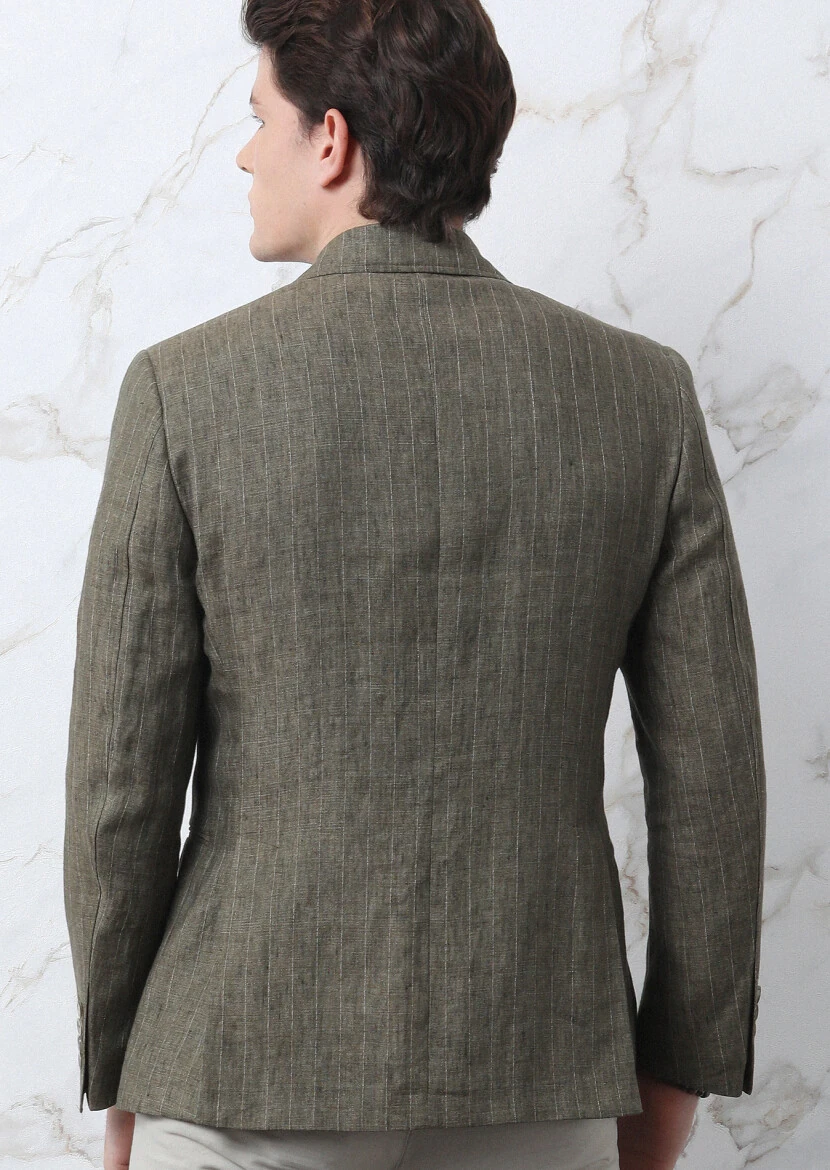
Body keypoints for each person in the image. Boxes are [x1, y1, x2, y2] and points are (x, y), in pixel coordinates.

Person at [62, 1, 766, 1168]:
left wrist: (119, 1065)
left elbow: (116, 795)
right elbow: (714, 786)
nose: (243, 155)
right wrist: (675, 1071)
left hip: (238, 1067)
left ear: (331, 140)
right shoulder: (640, 396)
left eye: (260, 119)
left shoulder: (187, 393)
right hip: (535, 1074)